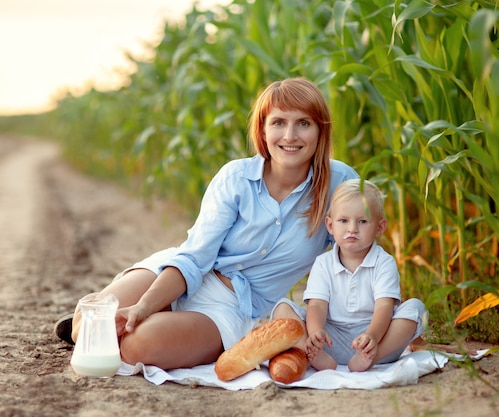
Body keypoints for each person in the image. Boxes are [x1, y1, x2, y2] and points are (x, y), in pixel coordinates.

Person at [54, 77, 359, 370]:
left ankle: (148, 326)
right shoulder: (236, 178)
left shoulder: (339, 184)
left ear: (320, 131)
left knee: (136, 347)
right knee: (86, 325)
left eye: (303, 123)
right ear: (263, 130)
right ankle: (144, 312)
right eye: (278, 122)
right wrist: (143, 306)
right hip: (186, 274)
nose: (290, 136)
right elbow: (194, 258)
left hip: (231, 309)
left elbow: (355, 257)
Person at [271, 179, 427, 372]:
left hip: (377, 340)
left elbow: (384, 307)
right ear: (330, 225)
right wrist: (316, 332)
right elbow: (317, 306)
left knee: (415, 308)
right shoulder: (323, 263)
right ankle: (311, 351)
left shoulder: (383, 263)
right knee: (282, 308)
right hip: (331, 340)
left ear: (379, 227)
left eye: (362, 221)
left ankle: (370, 359)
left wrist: (372, 337)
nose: (352, 229)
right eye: (343, 221)